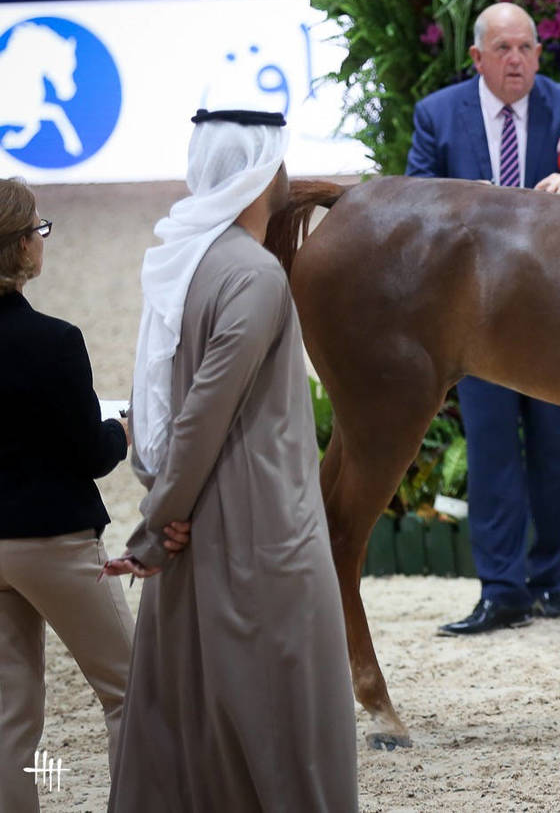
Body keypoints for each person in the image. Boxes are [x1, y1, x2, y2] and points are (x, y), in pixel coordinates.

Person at [106, 100, 357, 811]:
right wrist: (157, 526)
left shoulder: (184, 263)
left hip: (197, 528)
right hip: (261, 532)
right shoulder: (253, 275)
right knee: (289, 727)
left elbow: (150, 404)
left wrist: (165, 513)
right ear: (258, 170)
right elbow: (201, 415)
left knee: (192, 728)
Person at [408, 2, 560, 635]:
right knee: (491, 449)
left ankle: (551, 586)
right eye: (503, 49)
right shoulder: (437, 114)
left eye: (527, 48)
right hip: (478, 321)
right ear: (477, 58)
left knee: (558, 450)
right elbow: (414, 196)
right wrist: (465, 204)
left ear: (539, 53)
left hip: (559, 313)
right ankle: (501, 591)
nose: (516, 60)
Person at [0, 180, 157, 813]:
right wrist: (119, 431)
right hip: (55, 544)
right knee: (130, 691)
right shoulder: (56, 341)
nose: (44, 238)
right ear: (20, 246)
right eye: (40, 228)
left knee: (11, 716)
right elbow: (88, 456)